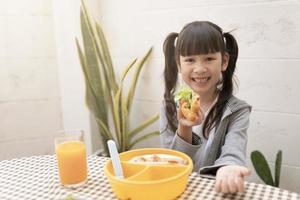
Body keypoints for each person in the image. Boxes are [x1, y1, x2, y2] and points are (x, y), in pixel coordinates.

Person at [160, 21, 252, 193]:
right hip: (178, 191)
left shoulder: (238, 111)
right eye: (190, 60)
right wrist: (184, 128)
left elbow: (233, 153)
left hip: (216, 192)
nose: (199, 68)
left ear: (224, 61)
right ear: (179, 64)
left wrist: (228, 167)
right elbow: (171, 164)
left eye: (209, 58)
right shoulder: (169, 107)